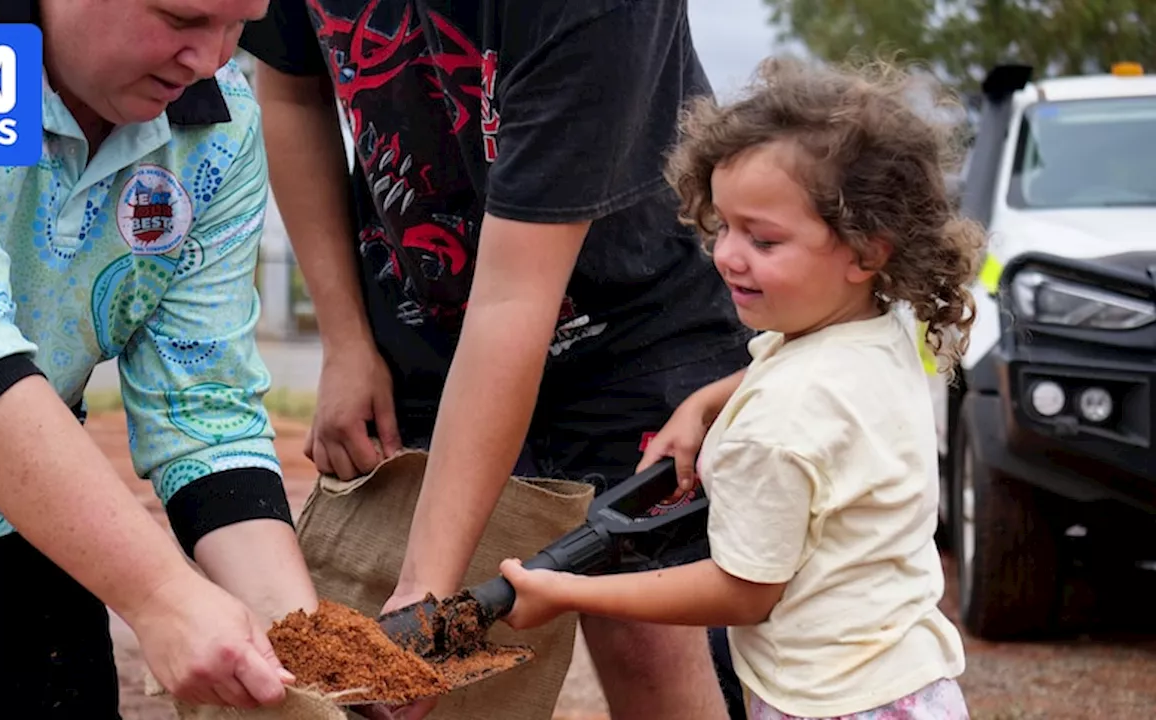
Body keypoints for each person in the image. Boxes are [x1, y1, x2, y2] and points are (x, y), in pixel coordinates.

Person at [238, 1, 756, 718]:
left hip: (637, 317)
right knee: (429, 683)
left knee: (652, 638)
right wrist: (346, 340)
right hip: (425, 310)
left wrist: (424, 592)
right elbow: (290, 87)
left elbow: (514, 299)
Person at [498, 56, 980, 719]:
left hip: (829, 705)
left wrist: (569, 593)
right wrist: (703, 401)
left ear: (867, 250)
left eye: (764, 238)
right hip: (908, 684)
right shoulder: (874, 328)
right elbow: (783, 370)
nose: (726, 254)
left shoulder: (780, 423)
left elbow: (742, 591)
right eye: (724, 225)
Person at [0, 0, 321, 716]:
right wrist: (161, 596)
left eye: (239, 26)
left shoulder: (215, 123)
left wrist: (309, 652)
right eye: (181, 19)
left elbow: (202, 407)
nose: (209, 62)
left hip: (4, 496)